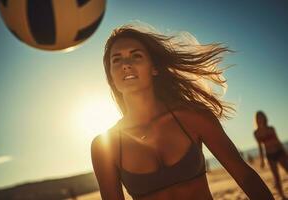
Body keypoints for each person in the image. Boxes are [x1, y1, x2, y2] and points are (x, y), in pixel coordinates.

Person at [91, 23, 274, 200]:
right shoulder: (105, 147)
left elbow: (245, 177)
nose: (126, 64)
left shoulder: (194, 117)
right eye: (117, 59)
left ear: (154, 68)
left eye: (136, 56)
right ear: (112, 77)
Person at [254, 111, 288, 199]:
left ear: (264, 118)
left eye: (261, 116)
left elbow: (278, 141)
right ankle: (282, 195)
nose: (260, 118)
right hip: (270, 155)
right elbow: (260, 147)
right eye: (258, 117)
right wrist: (262, 160)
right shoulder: (256, 133)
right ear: (256, 120)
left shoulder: (271, 128)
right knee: (276, 176)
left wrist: (285, 152)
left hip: (279, 152)